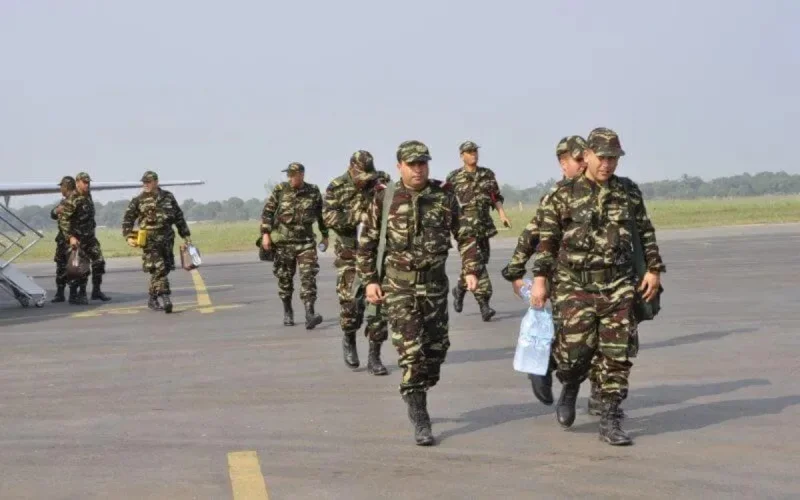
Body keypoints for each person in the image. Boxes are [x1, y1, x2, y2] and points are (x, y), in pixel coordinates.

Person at [530, 127, 665, 446]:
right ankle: (563, 377)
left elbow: (644, 232)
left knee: (616, 356)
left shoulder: (628, 192)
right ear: (587, 155)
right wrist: (539, 280)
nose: (607, 164)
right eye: (602, 157)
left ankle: (610, 417)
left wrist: (653, 270)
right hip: (574, 286)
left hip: (618, 286)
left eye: (614, 158)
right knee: (575, 355)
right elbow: (547, 242)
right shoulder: (562, 194)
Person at [357, 140, 481, 446]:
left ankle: (421, 386)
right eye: (412, 164)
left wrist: (470, 268)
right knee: (411, 353)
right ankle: (420, 413)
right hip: (399, 287)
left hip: (435, 286)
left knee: (435, 353)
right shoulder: (384, 198)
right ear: (399, 165)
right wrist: (370, 280)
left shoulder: (443, 196)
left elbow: (464, 234)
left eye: (422, 163)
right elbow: (368, 243)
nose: (418, 169)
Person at [501, 136, 587, 406]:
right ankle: (544, 367)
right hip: (564, 278)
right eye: (578, 159)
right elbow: (532, 234)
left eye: (587, 158)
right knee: (572, 337)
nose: (585, 164)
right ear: (564, 164)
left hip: (599, 279)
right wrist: (515, 272)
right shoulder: (556, 197)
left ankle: (600, 397)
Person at [322, 150, 390, 375]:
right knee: (351, 303)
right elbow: (329, 217)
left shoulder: (381, 182)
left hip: (376, 253)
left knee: (378, 306)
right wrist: (359, 217)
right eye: (362, 176)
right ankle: (349, 336)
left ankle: (375, 356)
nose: (365, 181)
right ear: (351, 168)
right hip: (350, 253)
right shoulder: (336, 186)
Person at [447, 140, 511, 321]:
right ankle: (484, 304)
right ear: (462, 156)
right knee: (476, 263)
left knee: (477, 262)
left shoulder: (487, 175)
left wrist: (502, 215)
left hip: (483, 226)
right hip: (465, 229)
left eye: (474, 151)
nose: (473, 154)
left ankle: (460, 288)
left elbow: (495, 197)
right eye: (469, 152)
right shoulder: (453, 178)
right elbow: (447, 203)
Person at [261, 162, 329, 329]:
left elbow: (322, 216)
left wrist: (325, 236)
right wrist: (265, 235)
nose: (290, 177)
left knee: (308, 277)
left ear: (302, 175)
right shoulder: (280, 190)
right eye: (288, 175)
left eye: (293, 174)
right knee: (285, 279)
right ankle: (288, 311)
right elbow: (267, 212)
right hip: (285, 243)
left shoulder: (313, 191)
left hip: (306, 243)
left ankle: (309, 314)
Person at [121, 170, 192, 313]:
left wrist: (185, 234)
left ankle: (152, 299)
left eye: (148, 182)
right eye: (144, 182)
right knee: (159, 268)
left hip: (166, 239)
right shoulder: (138, 200)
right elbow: (128, 219)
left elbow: (178, 216)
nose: (145, 184)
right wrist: (128, 236)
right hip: (150, 241)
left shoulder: (168, 197)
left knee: (164, 269)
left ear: (156, 182)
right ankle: (166, 298)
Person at [58, 172, 111, 304]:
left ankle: (96, 291)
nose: (87, 185)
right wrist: (70, 237)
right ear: (78, 182)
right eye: (84, 182)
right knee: (80, 269)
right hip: (78, 240)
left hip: (90, 238)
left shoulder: (88, 196)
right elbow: (64, 220)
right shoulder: (72, 199)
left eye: (88, 182)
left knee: (99, 262)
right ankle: (79, 294)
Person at [49, 176, 76, 303]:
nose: (61, 189)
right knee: (60, 267)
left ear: (66, 187)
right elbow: (53, 214)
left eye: (62, 186)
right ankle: (60, 294)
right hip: (61, 241)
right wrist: (57, 210)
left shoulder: (76, 201)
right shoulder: (63, 201)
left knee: (73, 268)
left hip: (72, 241)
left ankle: (73, 294)